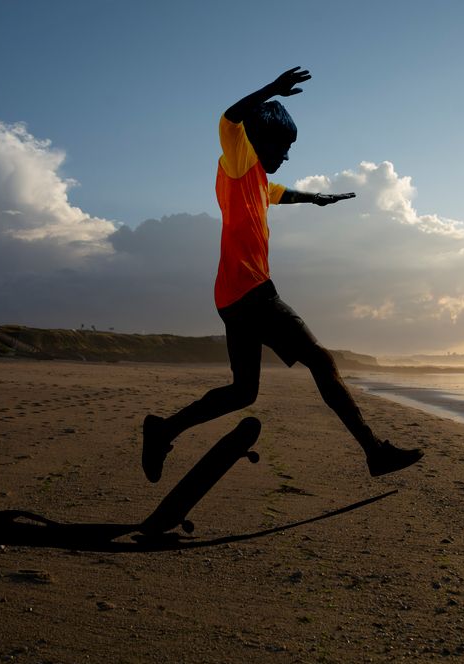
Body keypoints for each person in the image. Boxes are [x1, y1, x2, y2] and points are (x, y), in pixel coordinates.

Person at [142, 66, 422, 483]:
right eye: (283, 147)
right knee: (322, 361)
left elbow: (280, 192)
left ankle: (164, 429)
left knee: (243, 392)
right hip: (253, 291)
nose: (287, 156)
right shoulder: (238, 160)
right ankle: (374, 451)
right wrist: (272, 89)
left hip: (231, 297)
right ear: (260, 141)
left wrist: (316, 199)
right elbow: (229, 118)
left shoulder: (253, 178)